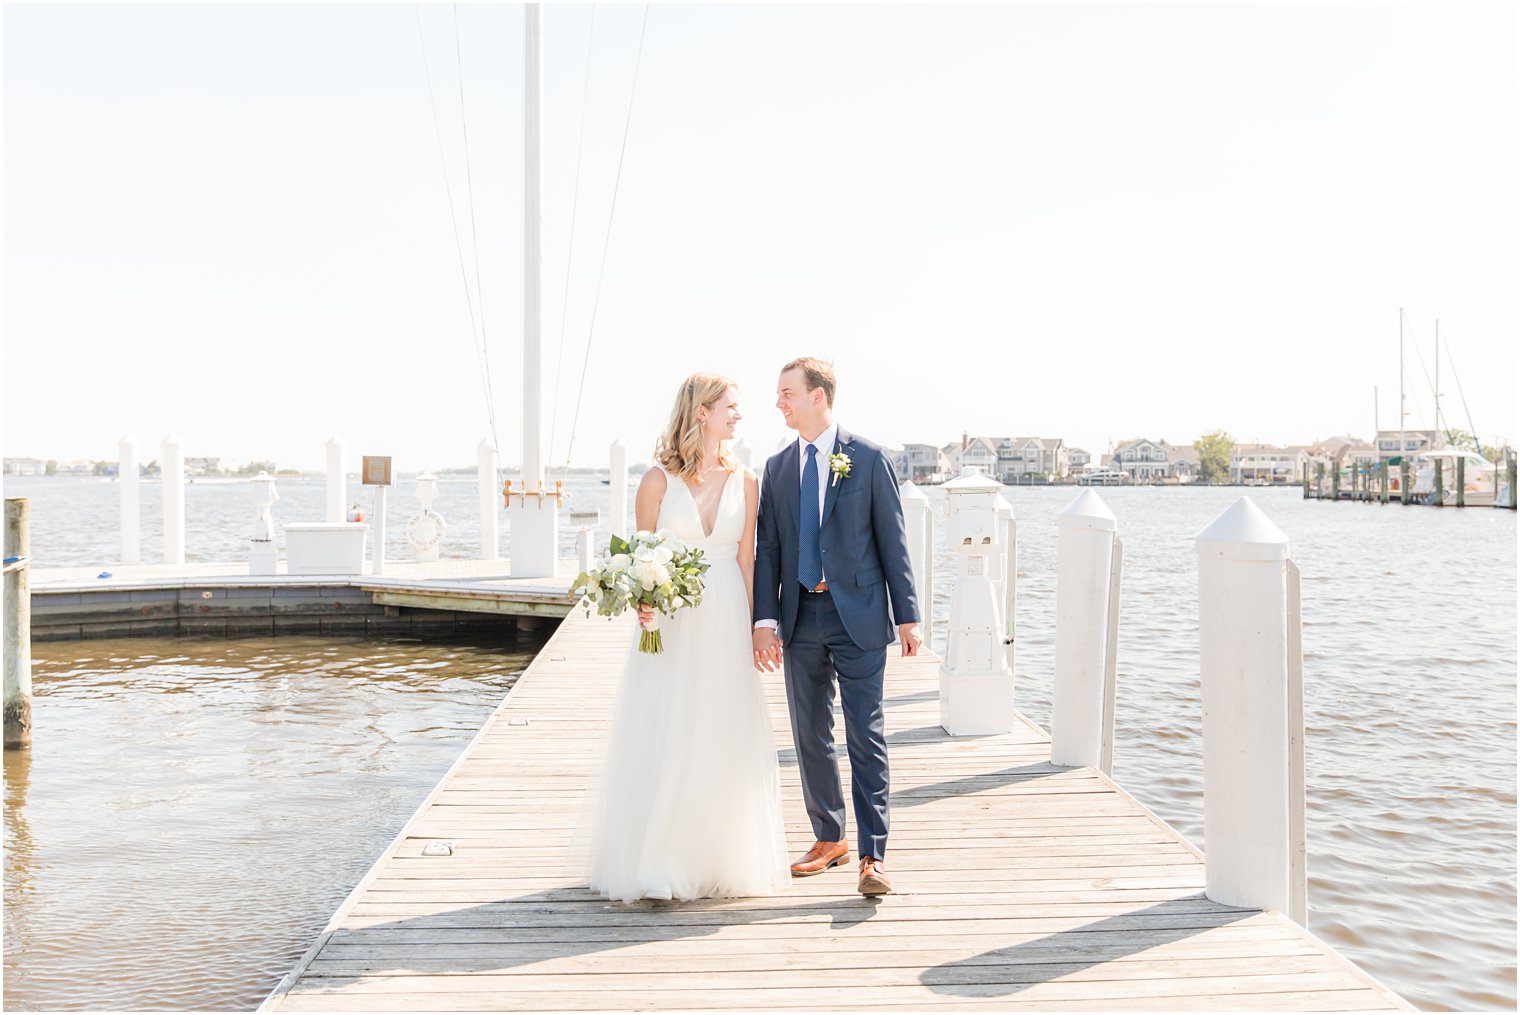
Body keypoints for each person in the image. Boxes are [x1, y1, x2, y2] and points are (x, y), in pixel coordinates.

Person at [583, 373, 789, 903]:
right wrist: (642, 600)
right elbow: (637, 557)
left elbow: (748, 560)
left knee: (719, 731)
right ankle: (657, 859)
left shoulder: (747, 481)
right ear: (702, 412)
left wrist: (759, 627)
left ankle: (714, 856)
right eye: (731, 407)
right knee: (670, 728)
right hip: (671, 622)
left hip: (725, 615)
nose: (739, 416)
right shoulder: (655, 482)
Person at [752, 357, 922, 896]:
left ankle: (873, 855)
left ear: (818, 396)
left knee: (864, 733)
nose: (778, 402)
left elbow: (893, 541)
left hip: (861, 616)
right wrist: (765, 618)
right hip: (800, 617)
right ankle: (829, 838)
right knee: (808, 734)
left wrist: (908, 615)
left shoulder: (868, 459)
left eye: (786, 393)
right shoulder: (778, 468)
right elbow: (769, 550)